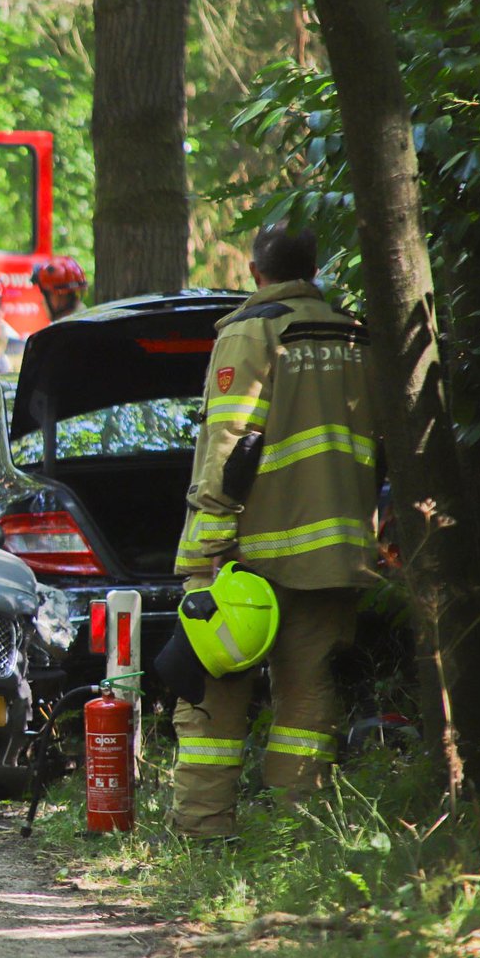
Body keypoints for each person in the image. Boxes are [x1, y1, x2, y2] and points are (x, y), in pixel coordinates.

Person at [168, 220, 378, 838]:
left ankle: (203, 832)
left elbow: (232, 443)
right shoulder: (359, 336)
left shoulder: (251, 331)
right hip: (334, 556)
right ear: (313, 269)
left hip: (246, 557)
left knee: (214, 696)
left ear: (256, 272)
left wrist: (208, 545)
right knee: (309, 700)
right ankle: (297, 834)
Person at [33, 256, 87, 322]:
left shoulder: (62, 330)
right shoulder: (86, 320)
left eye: (45, 295)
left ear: (58, 297)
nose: (42, 302)